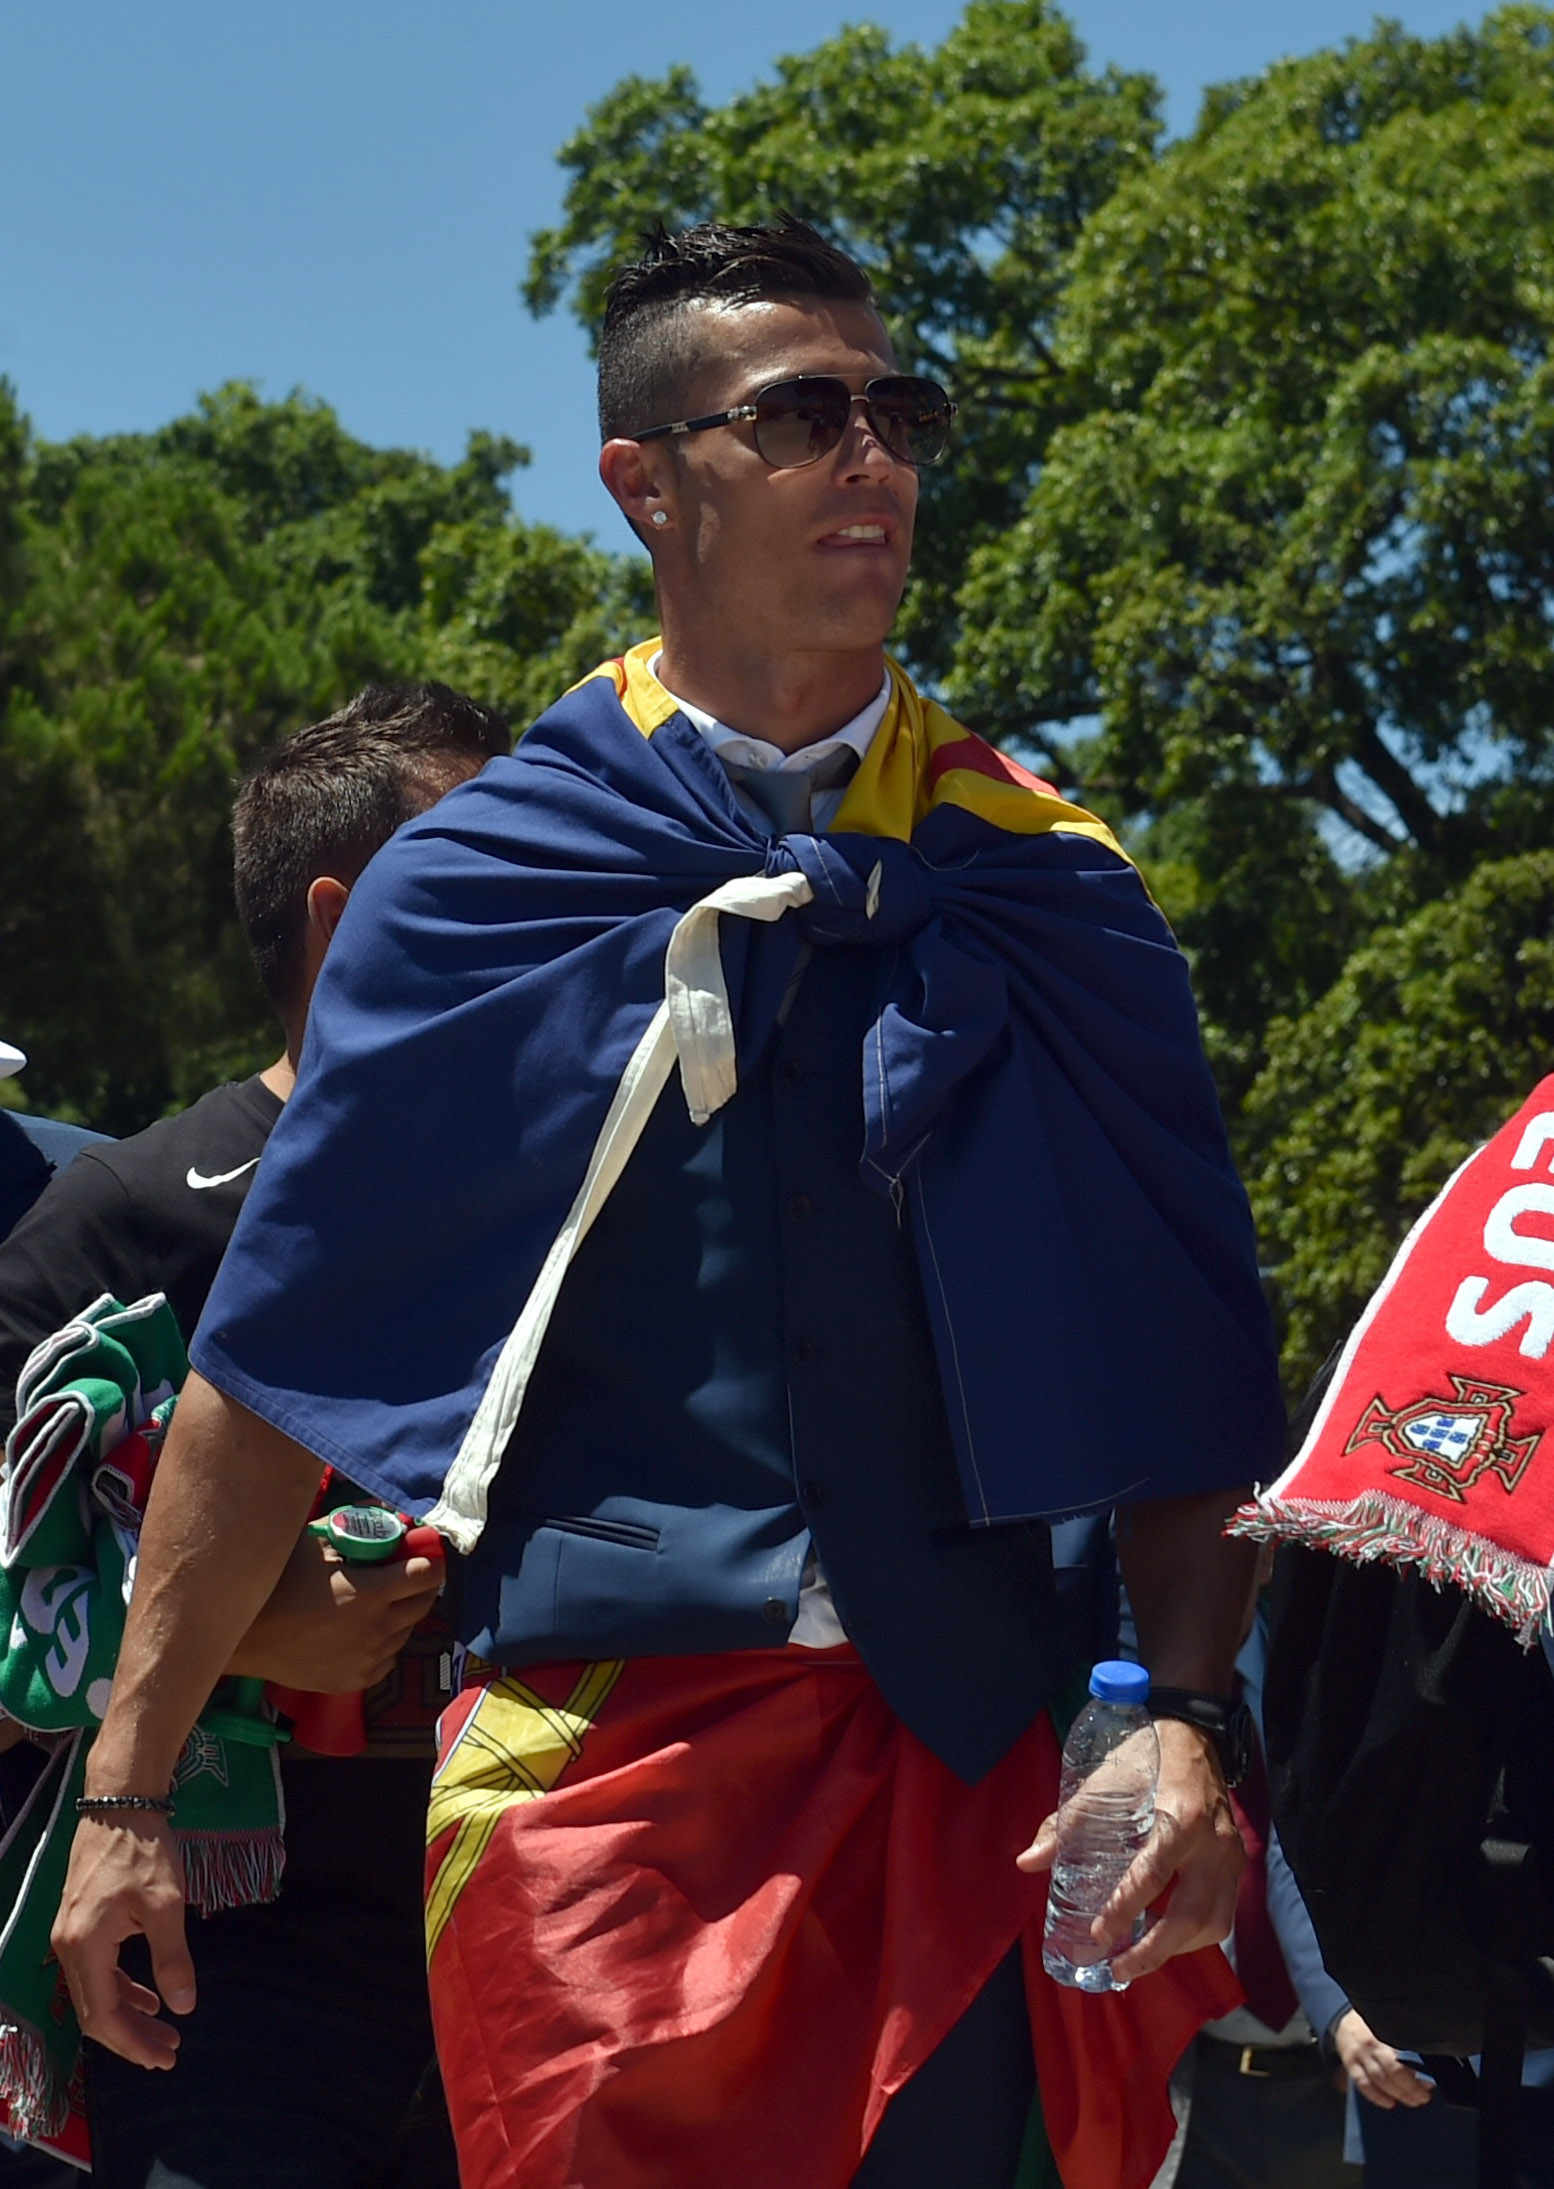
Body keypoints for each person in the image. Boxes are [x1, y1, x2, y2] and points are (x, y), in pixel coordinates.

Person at [52, 219, 1287, 2189]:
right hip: (594, 1788)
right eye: (801, 414)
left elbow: (1189, 1380)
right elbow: (277, 1365)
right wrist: (124, 1793)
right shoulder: (480, 887)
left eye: (901, 411)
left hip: (973, 1783)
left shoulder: (1049, 884)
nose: (869, 457)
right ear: (646, 483)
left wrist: (1200, 1725)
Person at [0, 682, 509, 2189]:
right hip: (220, 1998)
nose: (563, 903)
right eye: (500, 861)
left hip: (537, 1947)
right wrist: (237, 1637)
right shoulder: (127, 1220)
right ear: (346, 923)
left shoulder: (601, 1213)